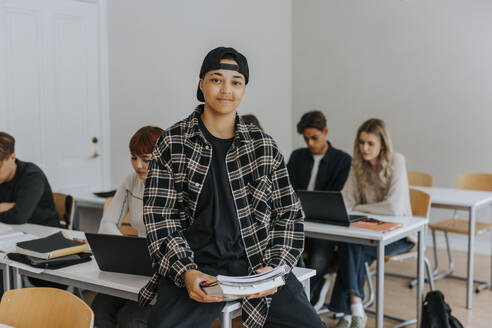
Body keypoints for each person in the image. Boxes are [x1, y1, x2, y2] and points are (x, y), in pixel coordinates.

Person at [138, 47, 326, 328]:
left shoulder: (263, 146)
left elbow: (289, 214)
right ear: (201, 84)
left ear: (244, 88)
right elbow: (160, 218)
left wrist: (274, 268)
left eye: (236, 82)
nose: (226, 89)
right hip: (199, 268)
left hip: (256, 267)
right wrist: (185, 271)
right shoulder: (172, 143)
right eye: (217, 79)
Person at [328, 119, 414, 328]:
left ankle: (348, 313)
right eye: (361, 142)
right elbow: (346, 200)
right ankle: (356, 309)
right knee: (352, 243)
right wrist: (353, 207)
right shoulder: (358, 165)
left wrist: (359, 208)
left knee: (352, 246)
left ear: (382, 144)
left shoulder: (397, 161)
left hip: (400, 236)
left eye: (370, 143)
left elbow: (393, 208)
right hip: (369, 232)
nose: (364, 148)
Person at [92, 126, 163, 328]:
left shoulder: (179, 185)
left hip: (166, 273)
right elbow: (107, 223)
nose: (138, 165)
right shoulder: (131, 182)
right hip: (136, 268)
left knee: (130, 320)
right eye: (133, 158)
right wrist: (126, 251)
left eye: (146, 159)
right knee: (98, 311)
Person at [287, 111, 351, 306]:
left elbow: (337, 198)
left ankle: (310, 295)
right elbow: (286, 188)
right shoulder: (297, 157)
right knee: (286, 252)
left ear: (325, 131)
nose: (310, 143)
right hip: (297, 222)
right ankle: (298, 296)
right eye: (306, 139)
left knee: (318, 257)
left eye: (314, 138)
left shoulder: (343, 160)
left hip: (325, 225)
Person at [0, 132, 59, 227]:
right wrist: (12, 207)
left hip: (45, 233)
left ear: (12, 157)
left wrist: (12, 208)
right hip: (12, 230)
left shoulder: (32, 175)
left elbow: (18, 217)